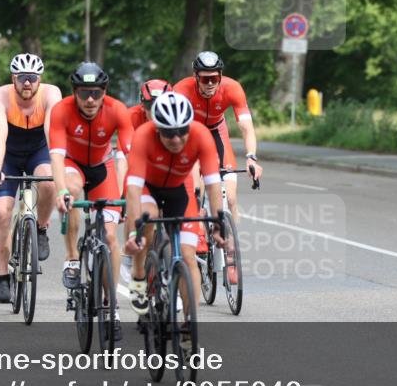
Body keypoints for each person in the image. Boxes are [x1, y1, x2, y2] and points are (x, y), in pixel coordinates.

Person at [123, 92, 225, 323]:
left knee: (188, 258)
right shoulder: (143, 135)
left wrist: (218, 226)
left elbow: (213, 186)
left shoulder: (201, 135)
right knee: (147, 220)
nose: (177, 138)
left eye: (182, 131)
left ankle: (190, 326)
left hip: (179, 191)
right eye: (169, 133)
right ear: (157, 128)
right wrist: (133, 232)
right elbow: (134, 190)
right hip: (149, 187)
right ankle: (139, 274)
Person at [49, 62, 133, 339]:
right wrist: (60, 192)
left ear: (104, 91)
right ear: (74, 92)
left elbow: (125, 157)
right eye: (84, 93)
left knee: (110, 237)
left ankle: (112, 307)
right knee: (71, 191)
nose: (89, 100)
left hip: (103, 167)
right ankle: (72, 258)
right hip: (73, 165)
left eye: (96, 93)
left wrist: (123, 196)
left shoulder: (117, 110)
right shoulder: (61, 110)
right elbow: (57, 158)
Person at [0, 53, 62, 304]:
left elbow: (53, 133)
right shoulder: (0, 95)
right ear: (13, 79)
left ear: (40, 79)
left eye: (32, 78)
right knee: (2, 212)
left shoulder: (52, 94)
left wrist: (58, 169)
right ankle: (2, 279)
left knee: (49, 182)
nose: (27, 83)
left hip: (38, 152)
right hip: (9, 154)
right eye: (21, 78)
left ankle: (40, 229)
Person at [173, 51, 263, 222]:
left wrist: (251, 157)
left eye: (214, 78)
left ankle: (231, 245)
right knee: (195, 192)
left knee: (230, 199)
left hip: (217, 132)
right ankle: (198, 237)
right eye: (205, 79)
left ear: (220, 76)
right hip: (191, 134)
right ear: (195, 77)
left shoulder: (232, 88)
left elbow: (246, 127)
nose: (209, 83)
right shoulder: (181, 90)